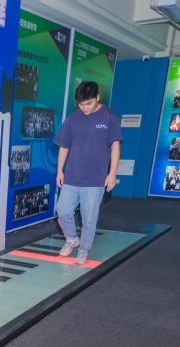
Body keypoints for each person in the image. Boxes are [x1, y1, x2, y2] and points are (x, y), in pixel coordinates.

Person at [54, 81, 122, 265]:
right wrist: (60, 171)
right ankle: (71, 239)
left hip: (96, 179)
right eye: (81, 104)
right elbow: (63, 146)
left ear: (98, 97)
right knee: (62, 211)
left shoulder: (110, 117)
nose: (84, 108)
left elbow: (115, 147)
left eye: (89, 104)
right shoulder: (73, 119)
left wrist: (112, 173)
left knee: (89, 219)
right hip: (71, 176)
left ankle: (83, 250)